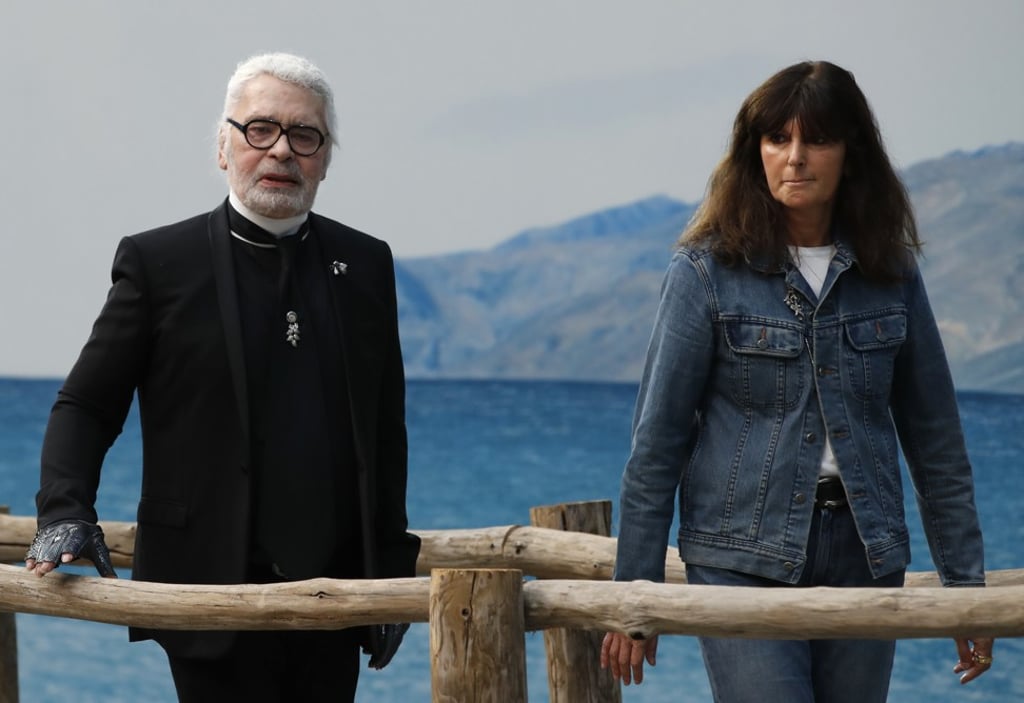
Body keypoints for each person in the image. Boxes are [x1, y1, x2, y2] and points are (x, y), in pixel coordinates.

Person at [24, 52, 420, 702]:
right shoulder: (159, 263)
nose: (281, 150)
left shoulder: (366, 263)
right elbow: (86, 405)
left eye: (305, 135)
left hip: (335, 596)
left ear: (325, 156)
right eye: (259, 129)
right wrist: (65, 513)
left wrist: (389, 574)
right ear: (222, 145)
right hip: (205, 591)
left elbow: (384, 431)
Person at [599, 60, 994, 702]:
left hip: (867, 558)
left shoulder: (889, 272)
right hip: (739, 559)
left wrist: (965, 594)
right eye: (778, 139)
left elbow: (936, 442)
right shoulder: (705, 273)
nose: (796, 158)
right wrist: (634, 596)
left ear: (851, 151)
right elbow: (657, 443)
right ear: (754, 151)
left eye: (817, 140)